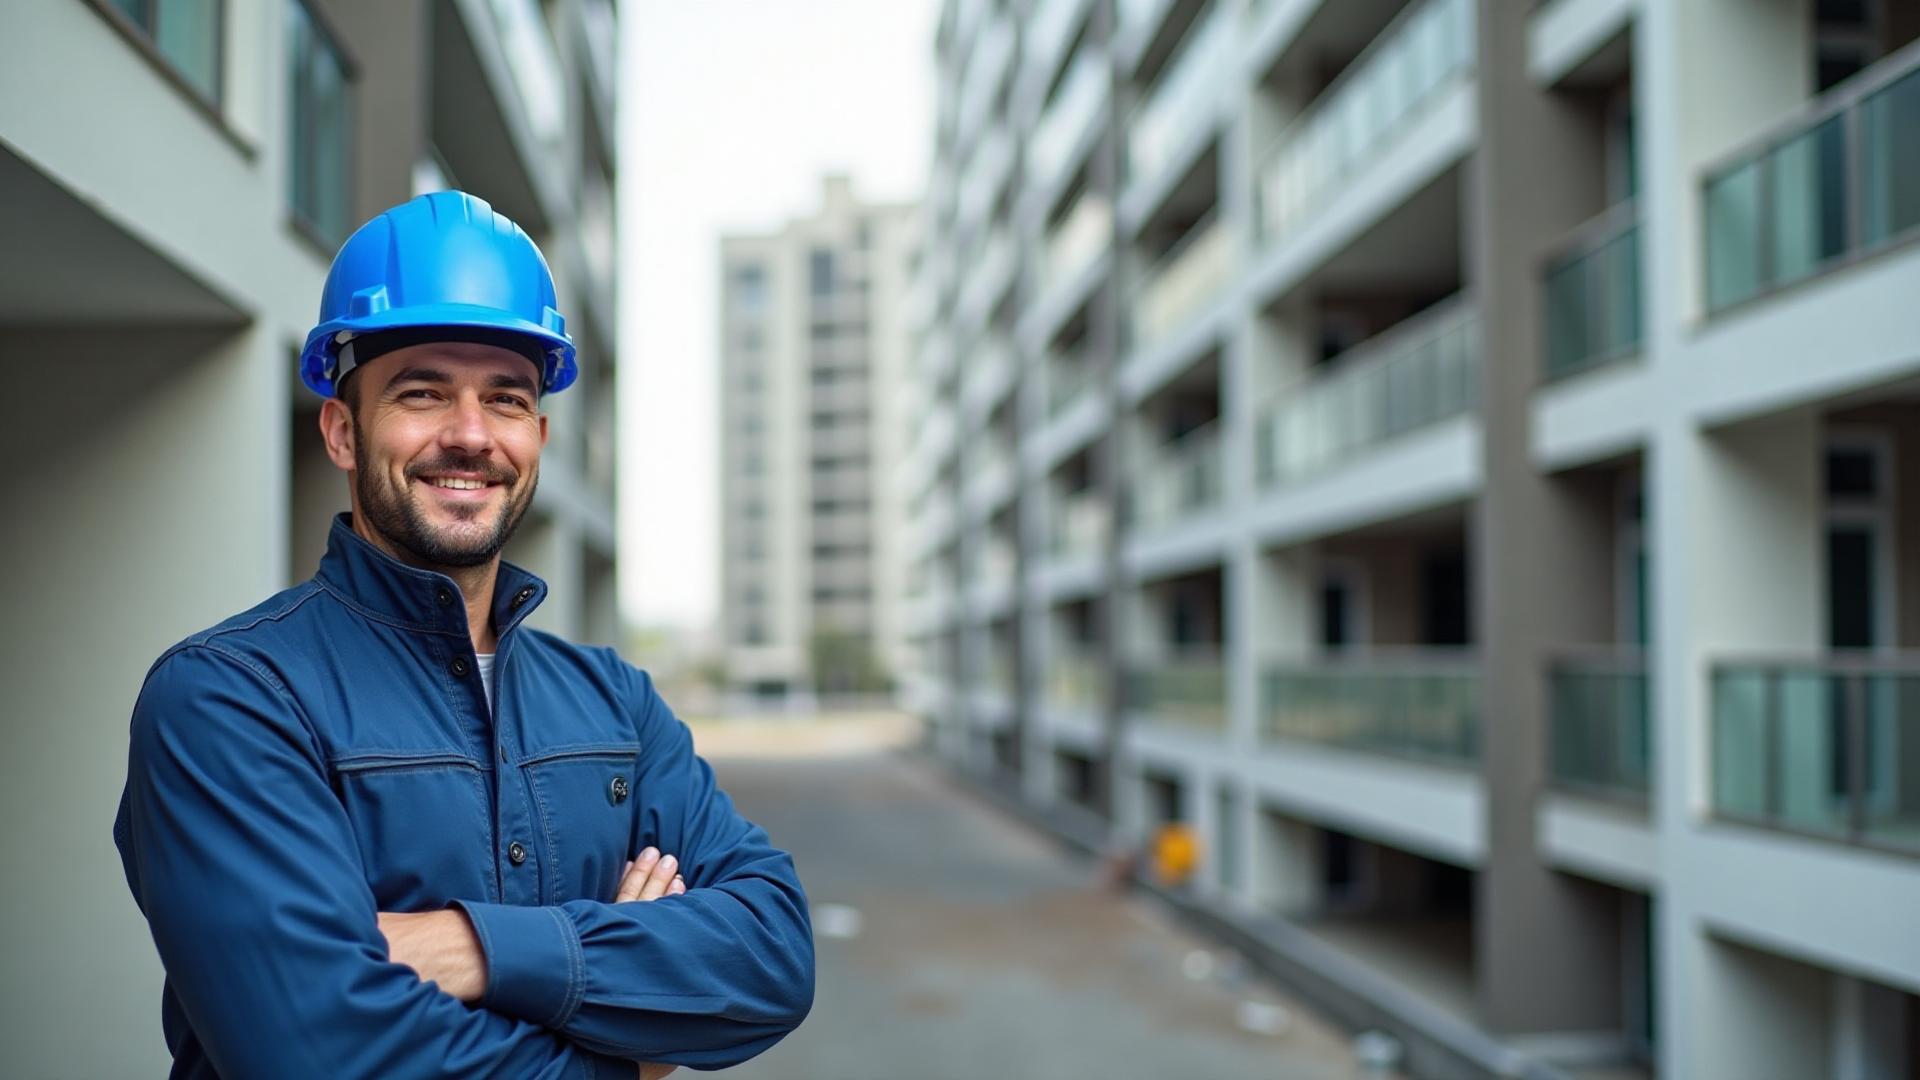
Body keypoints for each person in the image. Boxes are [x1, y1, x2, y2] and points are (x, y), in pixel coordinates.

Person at [113, 190, 813, 1079]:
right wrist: (633, 1052)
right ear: (341, 428)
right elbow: (323, 1052)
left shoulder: (615, 704)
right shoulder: (228, 697)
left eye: (507, 400)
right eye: (422, 392)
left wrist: (469, 947)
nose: (471, 435)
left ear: (540, 435)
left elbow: (774, 951)